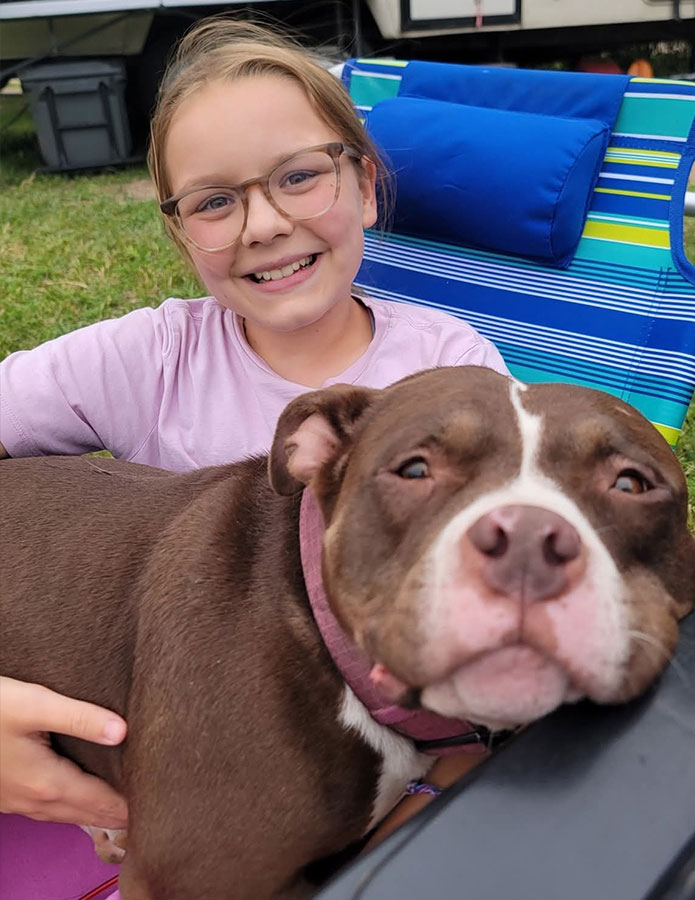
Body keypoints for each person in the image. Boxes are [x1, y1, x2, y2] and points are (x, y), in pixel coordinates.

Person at [0, 15, 508, 896]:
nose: (265, 223)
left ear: (367, 186)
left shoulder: (449, 375)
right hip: (148, 757)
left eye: (301, 176)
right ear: (180, 235)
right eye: (213, 201)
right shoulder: (150, 358)